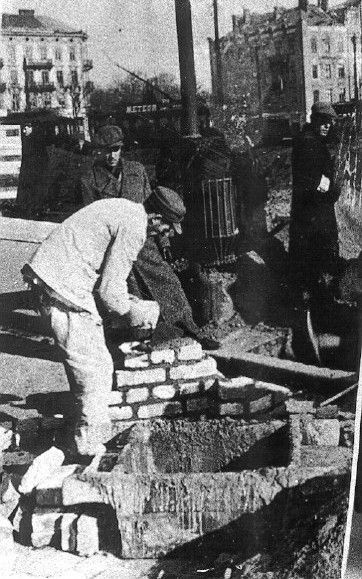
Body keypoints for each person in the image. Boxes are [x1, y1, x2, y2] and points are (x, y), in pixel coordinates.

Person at [22, 198, 161, 460]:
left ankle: (84, 436)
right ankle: (88, 448)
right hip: (64, 285)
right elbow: (110, 291)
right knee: (95, 368)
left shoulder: (125, 207)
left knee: (92, 362)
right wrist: (135, 315)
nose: (161, 235)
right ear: (156, 218)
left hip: (56, 275)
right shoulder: (136, 226)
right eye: (165, 229)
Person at [125, 187, 220, 349]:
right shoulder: (92, 179)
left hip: (147, 240)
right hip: (123, 240)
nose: (112, 158)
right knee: (133, 291)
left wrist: (164, 243)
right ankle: (142, 339)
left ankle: (189, 330)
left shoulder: (136, 171)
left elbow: (155, 212)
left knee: (170, 282)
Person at [289, 102, 340, 363]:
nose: (327, 126)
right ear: (314, 119)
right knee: (317, 269)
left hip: (309, 218)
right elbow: (317, 185)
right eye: (323, 121)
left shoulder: (306, 140)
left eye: (329, 122)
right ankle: (312, 322)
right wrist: (331, 189)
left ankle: (310, 315)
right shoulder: (310, 144)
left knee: (310, 269)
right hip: (314, 219)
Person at [80, 125, 152, 205]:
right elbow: (91, 214)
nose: (112, 155)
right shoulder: (90, 179)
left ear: (121, 148)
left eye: (116, 149)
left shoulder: (137, 170)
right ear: (99, 150)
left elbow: (149, 203)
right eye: (107, 151)